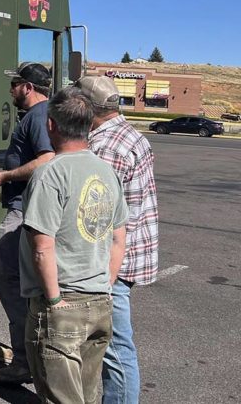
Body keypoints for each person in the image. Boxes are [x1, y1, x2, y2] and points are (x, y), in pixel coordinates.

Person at [20, 86, 127, 404]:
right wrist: (105, 284)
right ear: (89, 124)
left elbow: (42, 247)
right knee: (89, 395)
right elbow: (119, 236)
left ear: (51, 125)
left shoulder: (48, 175)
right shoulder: (107, 172)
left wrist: (53, 301)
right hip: (99, 302)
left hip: (62, 302)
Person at [76, 76, 158, 404]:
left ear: (88, 107)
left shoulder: (106, 146)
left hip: (114, 261)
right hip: (131, 253)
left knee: (115, 348)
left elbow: (96, 214)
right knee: (111, 344)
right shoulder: (129, 134)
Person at [0, 62, 55, 383]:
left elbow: (46, 160)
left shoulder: (38, 117)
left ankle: (25, 361)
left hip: (23, 211)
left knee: (10, 280)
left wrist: (6, 175)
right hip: (26, 207)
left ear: (27, 87)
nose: (10, 90)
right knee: (22, 284)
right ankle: (28, 349)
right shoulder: (43, 114)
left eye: (14, 84)